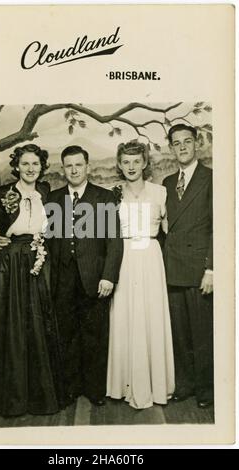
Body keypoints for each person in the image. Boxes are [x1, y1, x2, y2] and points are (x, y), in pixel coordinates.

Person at [0, 144, 65, 416]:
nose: (31, 169)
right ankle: (15, 399)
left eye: (36, 164)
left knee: (40, 322)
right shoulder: (1, 195)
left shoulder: (45, 191)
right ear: (17, 166)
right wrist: (8, 255)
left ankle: (41, 397)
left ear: (42, 167)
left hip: (41, 259)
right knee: (15, 322)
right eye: (26, 164)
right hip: (14, 263)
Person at [45, 145, 123, 407]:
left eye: (79, 164)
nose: (74, 170)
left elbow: (114, 240)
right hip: (63, 279)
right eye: (69, 165)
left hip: (94, 277)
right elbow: (45, 240)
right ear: (63, 168)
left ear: (87, 167)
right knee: (66, 334)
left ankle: (95, 390)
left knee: (94, 335)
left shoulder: (104, 197)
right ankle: (70, 388)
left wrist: (109, 276)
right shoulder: (54, 199)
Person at [106, 140, 175, 409]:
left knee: (151, 316)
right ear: (120, 165)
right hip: (124, 258)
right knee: (126, 316)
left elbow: (171, 231)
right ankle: (125, 386)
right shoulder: (112, 193)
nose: (131, 166)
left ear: (145, 163)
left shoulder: (160, 192)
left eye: (136, 161)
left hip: (151, 257)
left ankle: (155, 387)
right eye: (126, 162)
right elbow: (105, 234)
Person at [163, 124, 213, 408]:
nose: (182, 147)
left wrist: (211, 268)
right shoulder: (168, 183)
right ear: (171, 148)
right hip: (173, 269)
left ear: (197, 144)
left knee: (202, 333)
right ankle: (185, 384)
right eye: (176, 143)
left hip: (199, 270)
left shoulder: (211, 178)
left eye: (187, 141)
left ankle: (206, 390)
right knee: (179, 333)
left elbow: (219, 228)